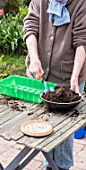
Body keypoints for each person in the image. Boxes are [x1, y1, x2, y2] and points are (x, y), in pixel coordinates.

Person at [23, 0, 86, 169]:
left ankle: (61, 166)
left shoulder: (81, 4)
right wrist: (35, 59)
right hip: (39, 75)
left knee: (64, 131)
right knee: (43, 124)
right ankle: (48, 164)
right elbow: (30, 28)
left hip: (68, 78)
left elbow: (82, 42)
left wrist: (74, 76)